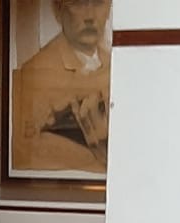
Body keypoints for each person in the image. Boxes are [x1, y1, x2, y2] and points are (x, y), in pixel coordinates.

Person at [11, 0, 111, 172]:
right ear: (58, 11)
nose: (90, 16)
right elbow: (26, 154)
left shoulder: (117, 66)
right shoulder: (34, 74)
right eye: (77, 4)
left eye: (98, 3)